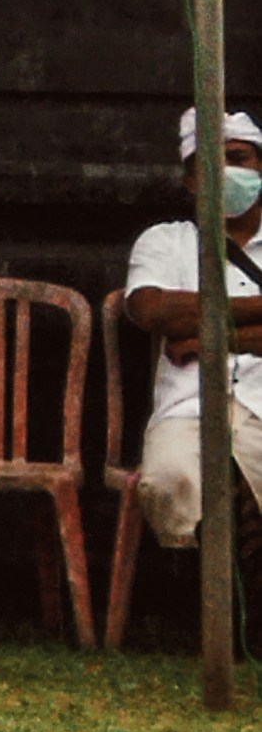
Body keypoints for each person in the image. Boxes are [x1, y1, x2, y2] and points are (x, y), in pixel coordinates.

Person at [124, 105, 262, 570]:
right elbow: (152, 309)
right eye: (210, 162)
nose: (227, 172)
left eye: (240, 159)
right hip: (189, 407)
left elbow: (180, 321)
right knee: (169, 481)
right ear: (190, 180)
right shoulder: (165, 241)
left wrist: (205, 337)